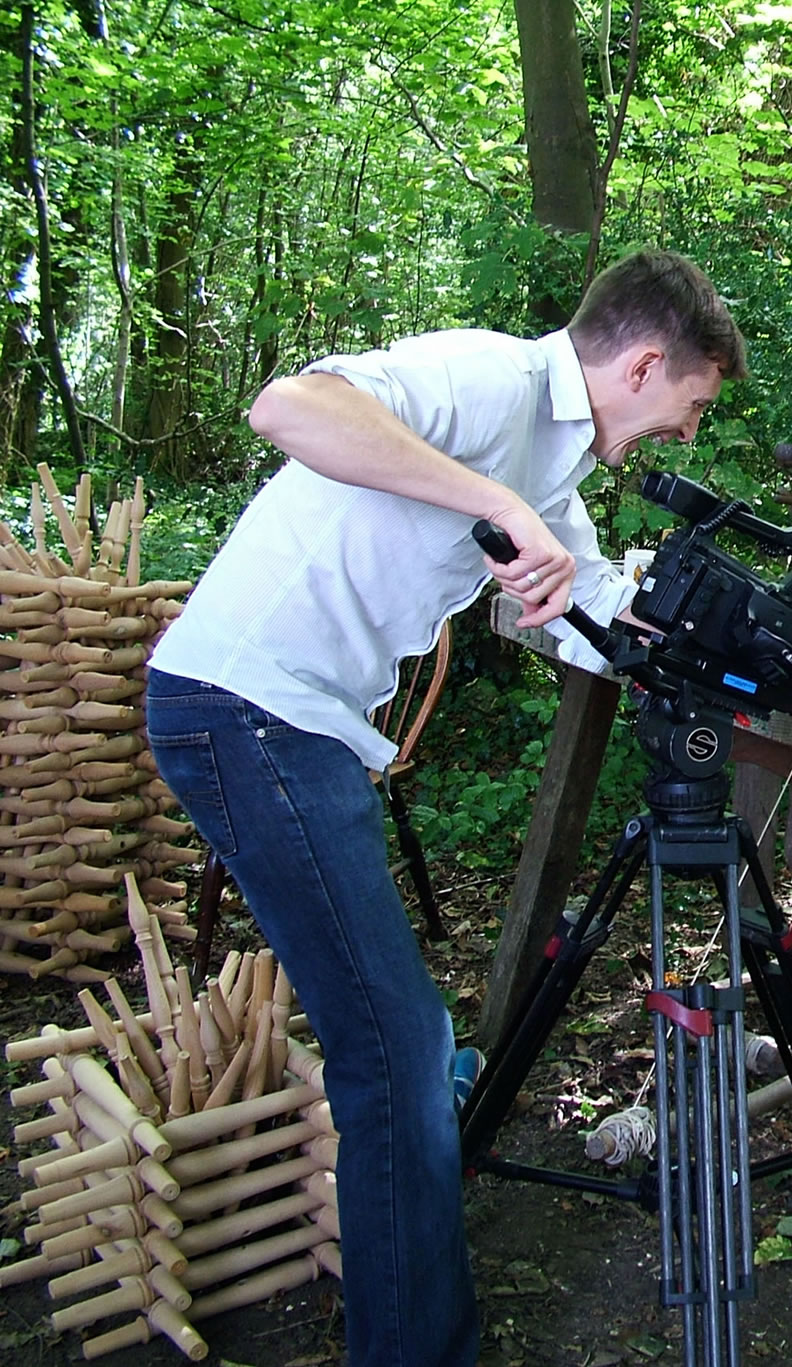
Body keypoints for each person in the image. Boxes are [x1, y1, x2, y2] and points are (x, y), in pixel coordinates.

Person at [144, 250, 746, 1367]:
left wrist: (695, 641)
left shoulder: (552, 459)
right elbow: (290, 403)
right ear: (648, 361)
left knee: (402, 1044)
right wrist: (496, 499)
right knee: (398, 1053)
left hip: (295, 727)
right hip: (243, 709)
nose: (686, 433)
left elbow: (572, 602)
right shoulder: (489, 380)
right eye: (690, 407)